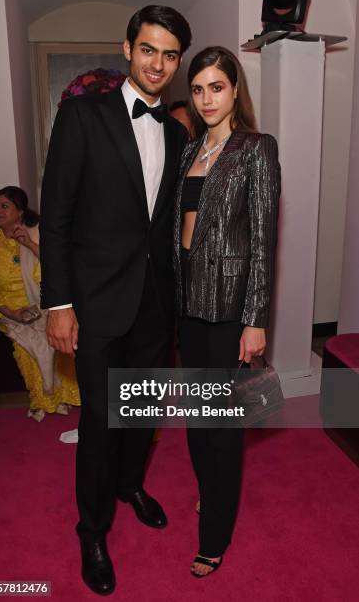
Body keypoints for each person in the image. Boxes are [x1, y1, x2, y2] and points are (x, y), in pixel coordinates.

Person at [40, 5, 191, 596]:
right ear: (127, 48)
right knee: (102, 423)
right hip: (97, 305)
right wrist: (58, 303)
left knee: (143, 416)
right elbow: (55, 217)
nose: (158, 64)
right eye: (148, 49)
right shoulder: (82, 115)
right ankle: (92, 528)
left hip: (156, 305)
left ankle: (131, 485)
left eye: (170, 54)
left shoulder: (178, 133)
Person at [174, 46, 281, 577]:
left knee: (221, 425)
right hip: (188, 304)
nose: (206, 98)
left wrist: (255, 317)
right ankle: (211, 493)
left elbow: (263, 239)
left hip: (230, 307)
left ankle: (214, 533)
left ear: (236, 90)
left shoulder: (255, 148)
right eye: (198, 89)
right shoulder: (191, 149)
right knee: (197, 418)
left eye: (216, 86)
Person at [0, 187, 80, 422]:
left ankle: (65, 397)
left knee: (59, 338)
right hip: (9, 310)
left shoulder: (37, 234)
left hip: (43, 303)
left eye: (4, 206)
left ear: (21, 210)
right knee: (28, 348)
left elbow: (56, 268)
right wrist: (11, 312)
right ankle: (42, 400)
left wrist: (28, 244)